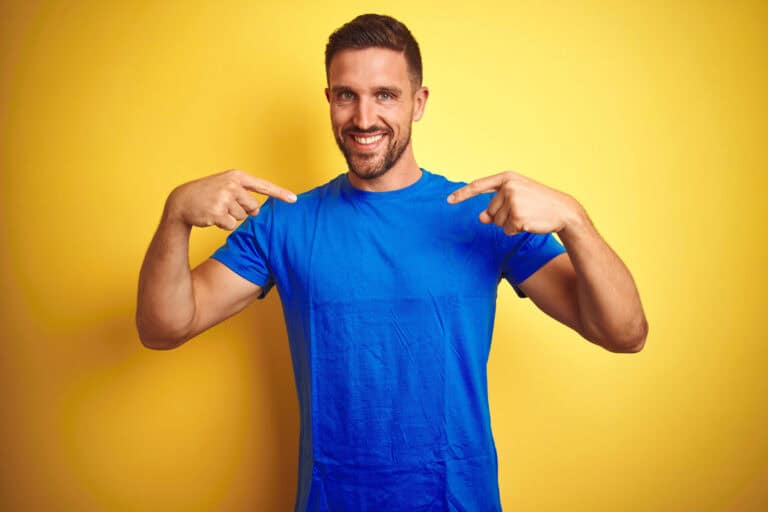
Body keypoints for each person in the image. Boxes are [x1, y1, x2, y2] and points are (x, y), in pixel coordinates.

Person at [136, 13, 648, 512]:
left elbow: (624, 332)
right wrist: (175, 216)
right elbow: (164, 327)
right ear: (330, 99)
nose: (364, 118)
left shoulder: (485, 216)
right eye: (347, 95)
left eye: (385, 95)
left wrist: (574, 219)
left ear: (418, 102)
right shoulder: (284, 222)